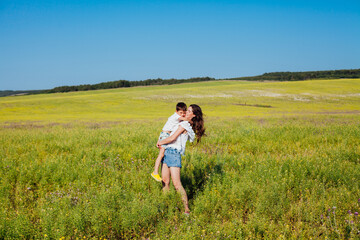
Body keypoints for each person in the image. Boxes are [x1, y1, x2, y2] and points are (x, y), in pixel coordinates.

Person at [157, 104, 205, 214]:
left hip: (174, 153)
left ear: (193, 115)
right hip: (167, 151)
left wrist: (160, 142)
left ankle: (186, 210)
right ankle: (167, 205)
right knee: (165, 181)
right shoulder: (182, 122)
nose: (185, 113)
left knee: (177, 184)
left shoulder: (185, 125)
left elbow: (173, 138)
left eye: (188, 111)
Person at [151, 102, 188, 182]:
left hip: (164, 135)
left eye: (184, 113)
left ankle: (156, 172)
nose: (182, 114)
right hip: (165, 135)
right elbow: (185, 120)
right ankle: (155, 172)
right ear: (176, 111)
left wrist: (159, 139)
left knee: (162, 154)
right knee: (161, 154)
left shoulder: (175, 116)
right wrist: (191, 118)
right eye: (181, 112)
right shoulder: (176, 117)